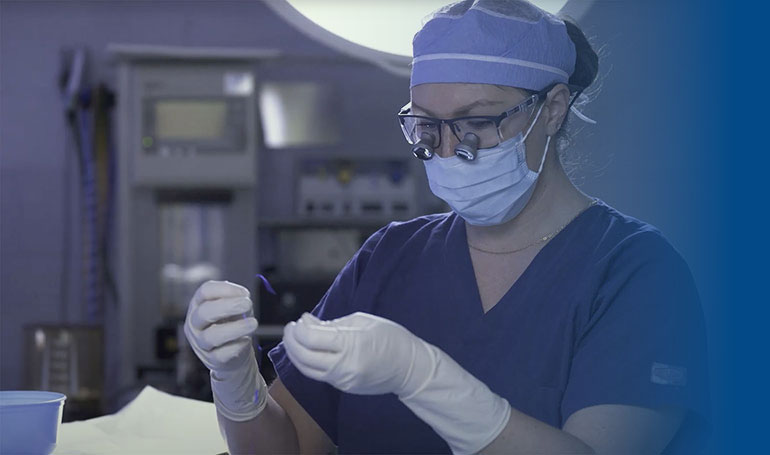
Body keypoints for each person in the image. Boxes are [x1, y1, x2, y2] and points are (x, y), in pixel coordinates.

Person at [183, 1, 710, 453]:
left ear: (552, 108)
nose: (449, 149)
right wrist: (236, 381)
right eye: (428, 126)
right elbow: (292, 448)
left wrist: (424, 378)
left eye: (477, 122)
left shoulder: (635, 272)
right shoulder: (391, 257)